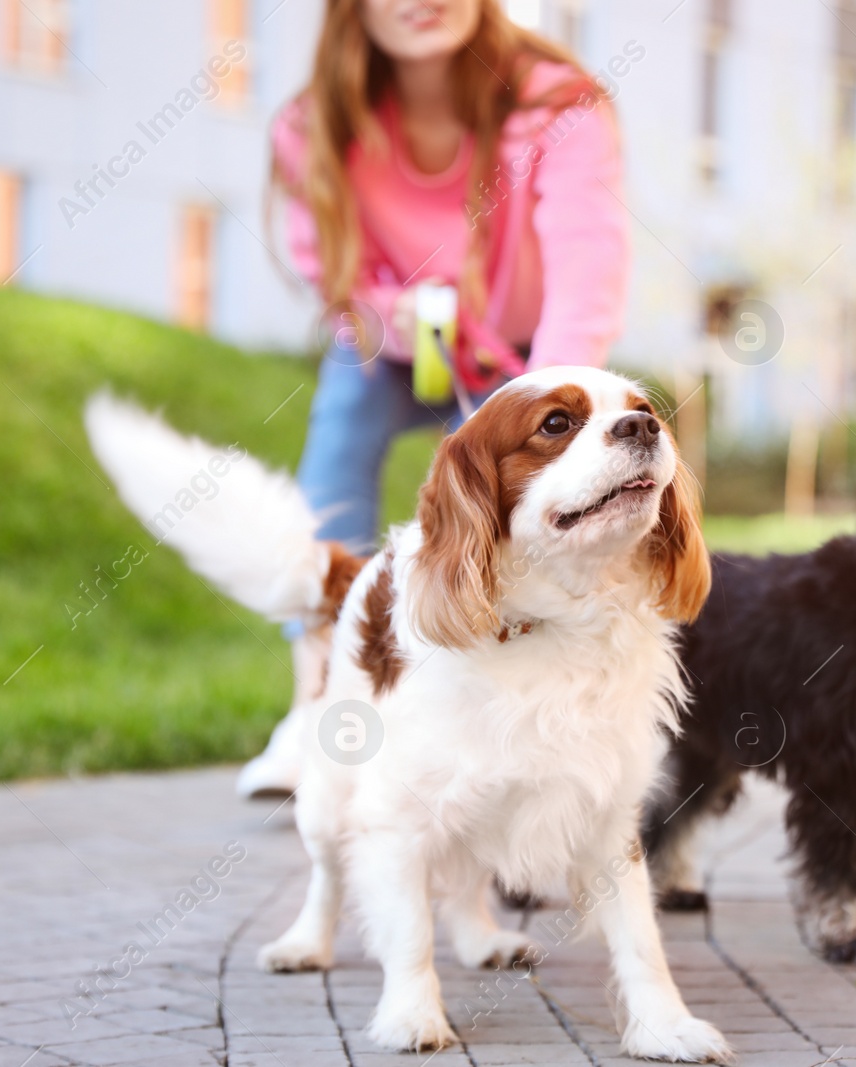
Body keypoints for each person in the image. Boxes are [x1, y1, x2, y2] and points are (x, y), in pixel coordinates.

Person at [237, 0, 631, 798]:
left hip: (520, 359)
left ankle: (514, 711)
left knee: (520, 502)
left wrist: (545, 404)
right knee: (339, 436)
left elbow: (589, 262)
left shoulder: (559, 104)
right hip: (387, 346)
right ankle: (316, 697)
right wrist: (389, 315)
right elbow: (332, 275)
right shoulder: (313, 125)